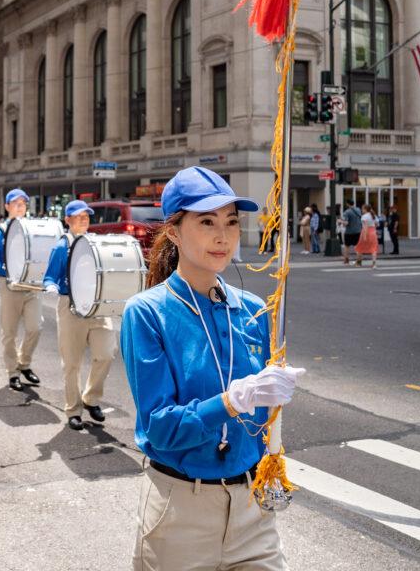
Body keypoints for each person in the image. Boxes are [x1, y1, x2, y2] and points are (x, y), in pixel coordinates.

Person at [121, 166, 304, 570]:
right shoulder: (147, 313)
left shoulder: (255, 310)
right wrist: (230, 401)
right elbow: (161, 428)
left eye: (232, 222)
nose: (223, 236)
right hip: (181, 512)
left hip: (251, 510)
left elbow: (261, 420)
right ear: (174, 231)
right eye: (207, 222)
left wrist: (273, 397)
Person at [43, 200, 116, 430]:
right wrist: (51, 286)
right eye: (79, 216)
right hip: (71, 306)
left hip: (96, 306)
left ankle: (90, 398)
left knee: (106, 353)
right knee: (72, 363)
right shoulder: (60, 246)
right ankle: (73, 410)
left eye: (87, 216)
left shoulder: (94, 243)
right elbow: (49, 277)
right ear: (68, 220)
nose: (84, 219)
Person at [0, 189, 43, 392]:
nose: (20, 206)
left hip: (31, 285)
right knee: (9, 333)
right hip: (9, 285)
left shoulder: (33, 229)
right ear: (7, 206)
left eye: (23, 203)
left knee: (35, 327)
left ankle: (24, 362)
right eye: (15, 203)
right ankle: (13, 372)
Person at [339, 200, 362, 266]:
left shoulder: (347, 212)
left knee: (347, 246)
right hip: (358, 231)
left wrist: (340, 221)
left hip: (349, 232)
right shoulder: (358, 210)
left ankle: (346, 261)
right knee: (358, 246)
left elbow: (346, 223)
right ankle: (359, 261)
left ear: (347, 204)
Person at [357, 204, 380, 269]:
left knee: (360, 247)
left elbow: (365, 226)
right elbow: (377, 224)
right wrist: (373, 228)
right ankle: (374, 263)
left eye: (362, 209)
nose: (362, 210)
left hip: (366, 232)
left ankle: (359, 262)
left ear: (365, 209)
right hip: (373, 232)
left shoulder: (364, 216)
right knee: (374, 248)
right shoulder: (373, 215)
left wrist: (364, 235)